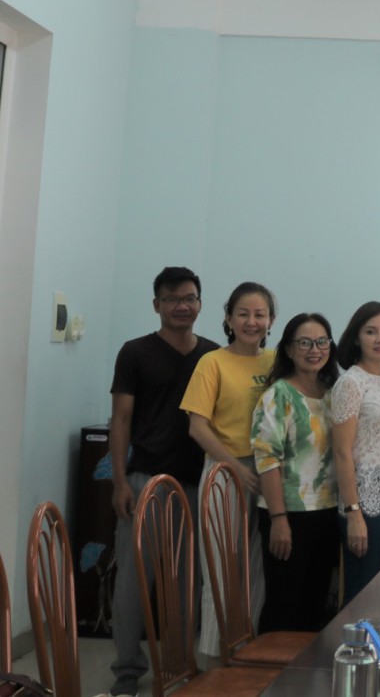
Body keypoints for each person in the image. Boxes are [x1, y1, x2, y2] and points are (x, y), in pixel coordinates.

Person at [108, 267, 219, 697]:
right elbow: (120, 419)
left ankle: (178, 665)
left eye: (189, 298)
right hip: (145, 481)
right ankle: (126, 672)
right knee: (134, 583)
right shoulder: (135, 352)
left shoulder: (212, 356)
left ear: (200, 304)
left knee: (187, 583)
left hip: (196, 483)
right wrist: (120, 482)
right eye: (172, 299)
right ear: (157, 305)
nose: (181, 306)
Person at [182, 281, 276, 663]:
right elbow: (197, 427)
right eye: (243, 314)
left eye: (260, 314)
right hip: (224, 471)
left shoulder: (276, 362)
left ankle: (245, 653)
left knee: (257, 570)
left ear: (271, 320)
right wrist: (235, 467)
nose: (252, 322)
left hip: (268, 473)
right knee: (221, 569)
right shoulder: (212, 362)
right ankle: (213, 660)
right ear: (228, 318)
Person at [251, 312, 340, 632]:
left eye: (321, 342)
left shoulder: (333, 392)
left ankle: (306, 666)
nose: (314, 349)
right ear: (288, 349)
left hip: (327, 510)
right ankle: (270, 665)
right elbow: (267, 461)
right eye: (304, 343)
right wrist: (278, 520)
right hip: (288, 514)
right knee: (284, 605)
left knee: (315, 605)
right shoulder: (278, 395)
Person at [330, 301, 380, 604]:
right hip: (363, 500)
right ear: (356, 338)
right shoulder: (350, 383)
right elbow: (341, 452)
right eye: (371, 332)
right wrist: (354, 513)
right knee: (362, 595)